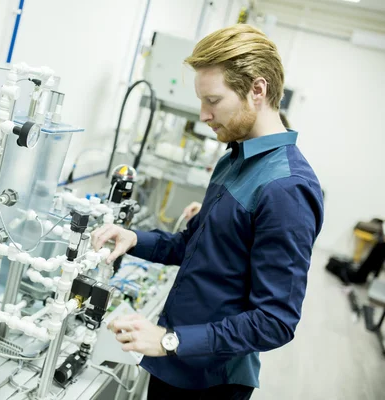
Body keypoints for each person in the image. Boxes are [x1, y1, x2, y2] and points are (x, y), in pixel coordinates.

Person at [91, 24, 324, 400]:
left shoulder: (286, 188)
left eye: (213, 101)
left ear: (258, 90)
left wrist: (170, 340)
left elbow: (275, 320)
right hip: (174, 360)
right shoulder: (233, 159)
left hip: (211, 381)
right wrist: (134, 238)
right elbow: (193, 246)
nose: (203, 114)